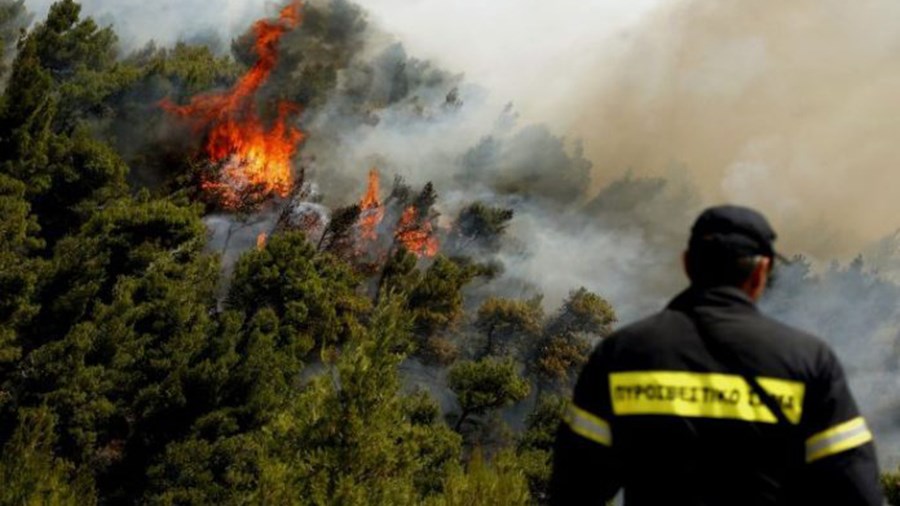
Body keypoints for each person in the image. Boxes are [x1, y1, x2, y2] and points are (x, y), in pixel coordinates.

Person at [550, 205, 883, 505]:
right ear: (760, 272)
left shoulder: (622, 354)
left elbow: (574, 488)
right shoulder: (808, 361)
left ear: (686, 264)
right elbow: (856, 491)